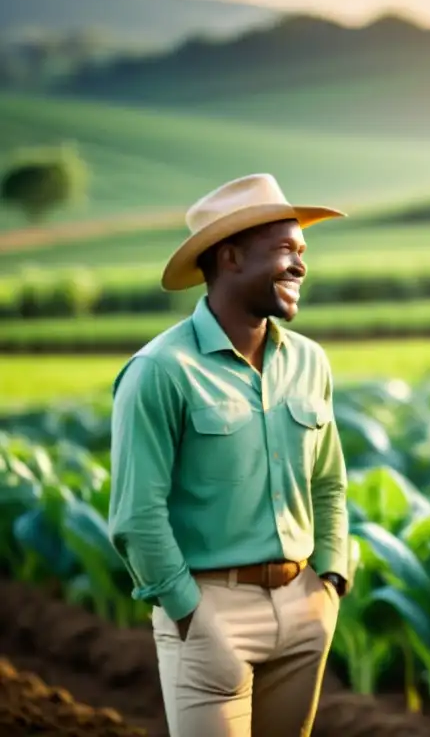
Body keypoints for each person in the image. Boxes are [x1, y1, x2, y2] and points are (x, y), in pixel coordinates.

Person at [107, 173, 352, 737]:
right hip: (209, 609)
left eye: (303, 251)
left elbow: (330, 484)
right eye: (285, 250)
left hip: (304, 608)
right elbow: (136, 516)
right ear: (232, 256)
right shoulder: (160, 371)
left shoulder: (311, 361)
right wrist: (191, 613)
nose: (300, 265)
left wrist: (330, 581)